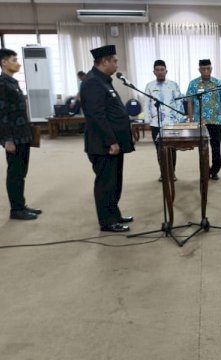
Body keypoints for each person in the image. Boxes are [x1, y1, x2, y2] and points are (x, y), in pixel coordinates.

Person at [80, 45, 135, 232]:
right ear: (104, 61)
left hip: (112, 144)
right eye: (115, 60)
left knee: (115, 181)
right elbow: (97, 116)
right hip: (102, 145)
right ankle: (107, 222)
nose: (117, 64)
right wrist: (111, 141)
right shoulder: (92, 82)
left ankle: (115, 214)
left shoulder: (103, 80)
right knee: (105, 183)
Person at [0, 48, 41, 220]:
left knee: (21, 172)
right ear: (4, 62)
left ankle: (21, 204)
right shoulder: (1, 84)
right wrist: (7, 140)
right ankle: (16, 210)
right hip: (13, 137)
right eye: (14, 59)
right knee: (15, 173)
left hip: (22, 135)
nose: (18, 63)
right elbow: (1, 114)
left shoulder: (11, 81)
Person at [186, 59, 221, 180]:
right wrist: (190, 119)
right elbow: (189, 102)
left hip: (215, 120)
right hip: (200, 121)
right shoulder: (193, 84)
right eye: (203, 69)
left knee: (216, 147)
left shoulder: (218, 83)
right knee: (202, 148)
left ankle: (215, 169)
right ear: (199, 69)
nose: (206, 71)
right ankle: (204, 170)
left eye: (208, 68)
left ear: (211, 69)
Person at [144, 59, 184, 182]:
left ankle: (172, 173)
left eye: (162, 70)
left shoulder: (173, 85)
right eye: (157, 70)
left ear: (166, 71)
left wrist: (180, 121)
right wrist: (147, 121)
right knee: (160, 150)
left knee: (171, 149)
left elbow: (179, 103)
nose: (160, 72)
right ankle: (163, 173)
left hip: (171, 123)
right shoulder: (149, 86)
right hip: (156, 124)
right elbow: (146, 104)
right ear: (154, 72)